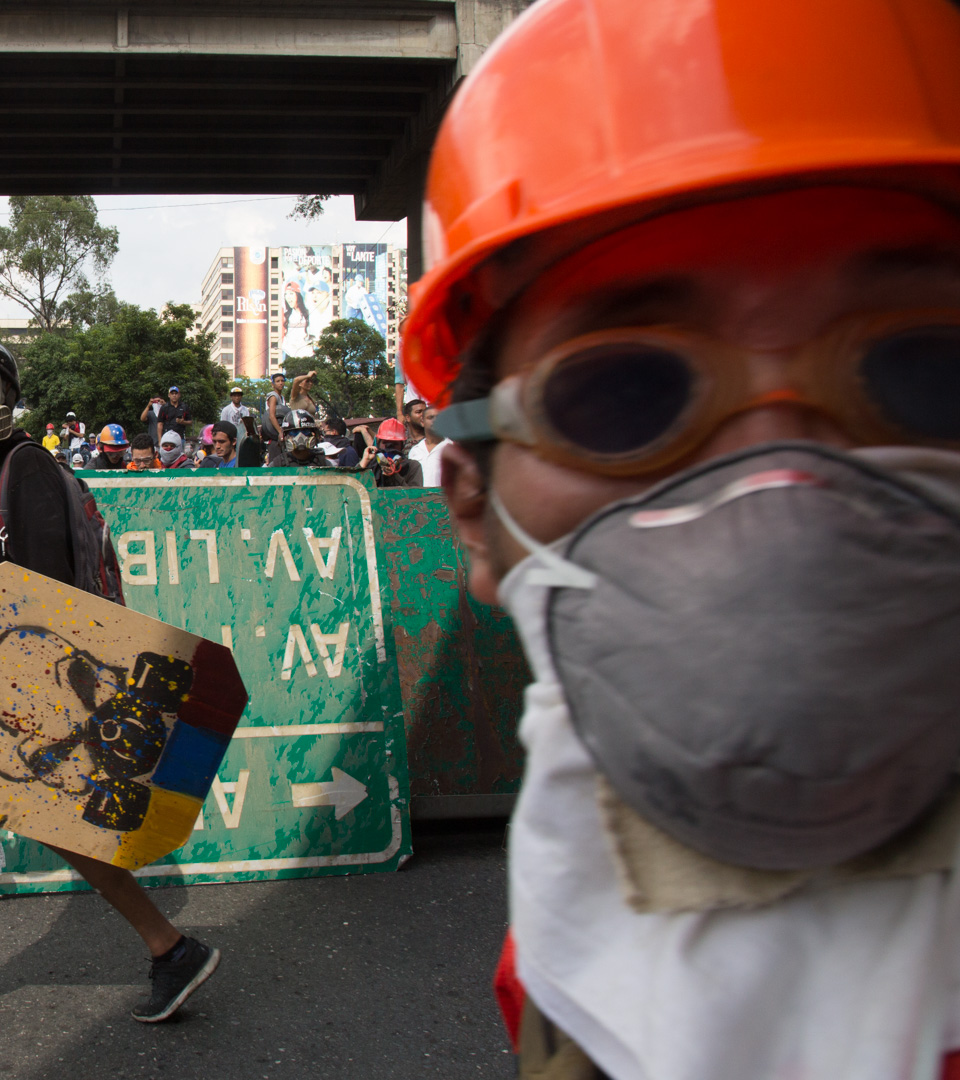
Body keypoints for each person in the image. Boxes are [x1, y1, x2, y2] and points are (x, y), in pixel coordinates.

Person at [407, 1, 960, 1076]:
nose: (784, 485)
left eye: (923, 367)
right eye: (624, 393)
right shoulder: (574, 955)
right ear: (473, 504)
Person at [0, 337, 219, 1031]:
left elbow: (35, 603)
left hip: (35, 683)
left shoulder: (23, 466)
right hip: (19, 678)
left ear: (4, 395)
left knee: (26, 818)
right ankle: (164, 950)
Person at [407, 405, 445, 487]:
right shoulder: (415, 450)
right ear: (422, 422)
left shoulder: (452, 448)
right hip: (419, 498)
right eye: (430, 417)